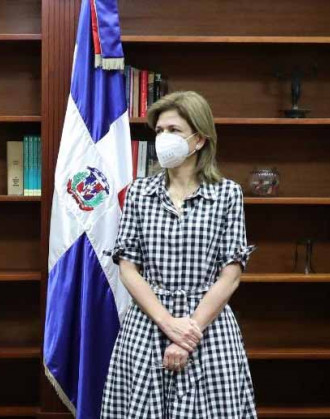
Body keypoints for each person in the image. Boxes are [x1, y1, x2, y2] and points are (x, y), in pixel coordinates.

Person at [102, 91, 257, 417]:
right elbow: (128, 268)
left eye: (173, 130)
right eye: (159, 131)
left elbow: (230, 276)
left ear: (199, 139)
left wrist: (186, 334)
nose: (163, 138)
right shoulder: (140, 192)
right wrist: (167, 323)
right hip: (148, 325)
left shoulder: (228, 194)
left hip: (208, 328)